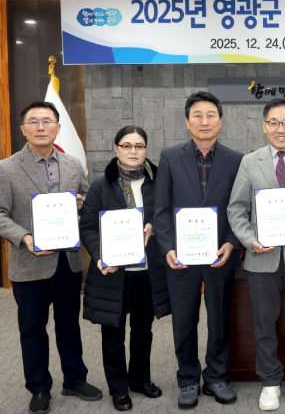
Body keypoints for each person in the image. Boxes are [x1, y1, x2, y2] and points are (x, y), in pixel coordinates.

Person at [0, 101, 102, 414]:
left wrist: (83, 203)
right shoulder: (6, 168)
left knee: (69, 325)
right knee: (32, 329)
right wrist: (25, 238)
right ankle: (39, 387)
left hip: (68, 262)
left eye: (47, 121)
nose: (41, 127)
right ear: (23, 129)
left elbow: (88, 200)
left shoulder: (72, 164)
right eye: (33, 121)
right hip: (29, 264)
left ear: (58, 127)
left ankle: (74, 379)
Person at [228, 98, 285, 411]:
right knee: (264, 323)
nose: (281, 128)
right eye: (274, 122)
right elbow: (236, 208)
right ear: (264, 126)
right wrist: (250, 240)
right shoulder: (249, 162)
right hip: (261, 258)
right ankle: (269, 382)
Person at [154, 91, 244, 410]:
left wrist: (231, 242)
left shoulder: (236, 159)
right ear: (187, 122)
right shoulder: (170, 156)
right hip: (181, 256)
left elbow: (241, 208)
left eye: (210, 115)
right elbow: (161, 209)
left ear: (220, 120)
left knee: (219, 318)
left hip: (221, 254)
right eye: (197, 115)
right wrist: (168, 247)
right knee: (184, 319)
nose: (204, 121)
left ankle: (217, 376)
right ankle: (188, 378)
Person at [79, 126, 170, 411]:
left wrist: (154, 226)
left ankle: (140, 379)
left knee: (143, 329)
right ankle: (118, 388)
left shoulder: (160, 183)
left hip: (147, 272)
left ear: (146, 149)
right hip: (113, 273)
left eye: (139, 146)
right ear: (116, 148)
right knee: (113, 333)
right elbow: (88, 227)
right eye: (127, 145)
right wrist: (99, 256)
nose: (133, 151)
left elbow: (170, 217)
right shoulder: (100, 186)